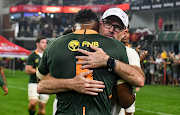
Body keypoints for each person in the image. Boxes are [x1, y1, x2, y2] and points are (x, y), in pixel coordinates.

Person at [36, 9, 136, 115]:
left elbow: (41, 82)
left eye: (117, 27)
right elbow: (126, 100)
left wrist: (68, 83)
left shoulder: (53, 45)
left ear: (73, 29)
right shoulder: (117, 47)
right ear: (98, 26)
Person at [25, 36, 49, 115]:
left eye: (46, 43)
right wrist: (40, 72)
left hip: (45, 83)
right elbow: (28, 69)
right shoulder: (32, 55)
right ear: (37, 44)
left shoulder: (48, 56)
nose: (45, 44)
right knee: (33, 103)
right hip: (33, 82)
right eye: (43, 42)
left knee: (42, 105)